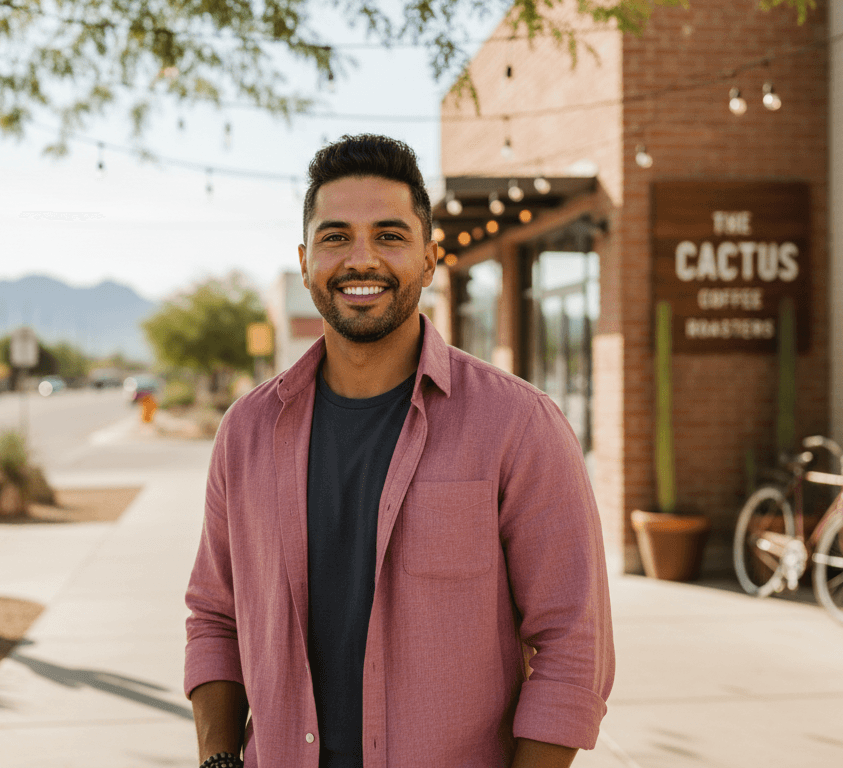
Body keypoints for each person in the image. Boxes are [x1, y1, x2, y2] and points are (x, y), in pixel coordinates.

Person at [184, 134, 614, 768]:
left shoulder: (519, 426)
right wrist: (218, 760)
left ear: (430, 259)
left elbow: (573, 645)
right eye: (335, 237)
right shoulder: (246, 433)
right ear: (305, 262)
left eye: (389, 235)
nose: (361, 260)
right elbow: (215, 619)